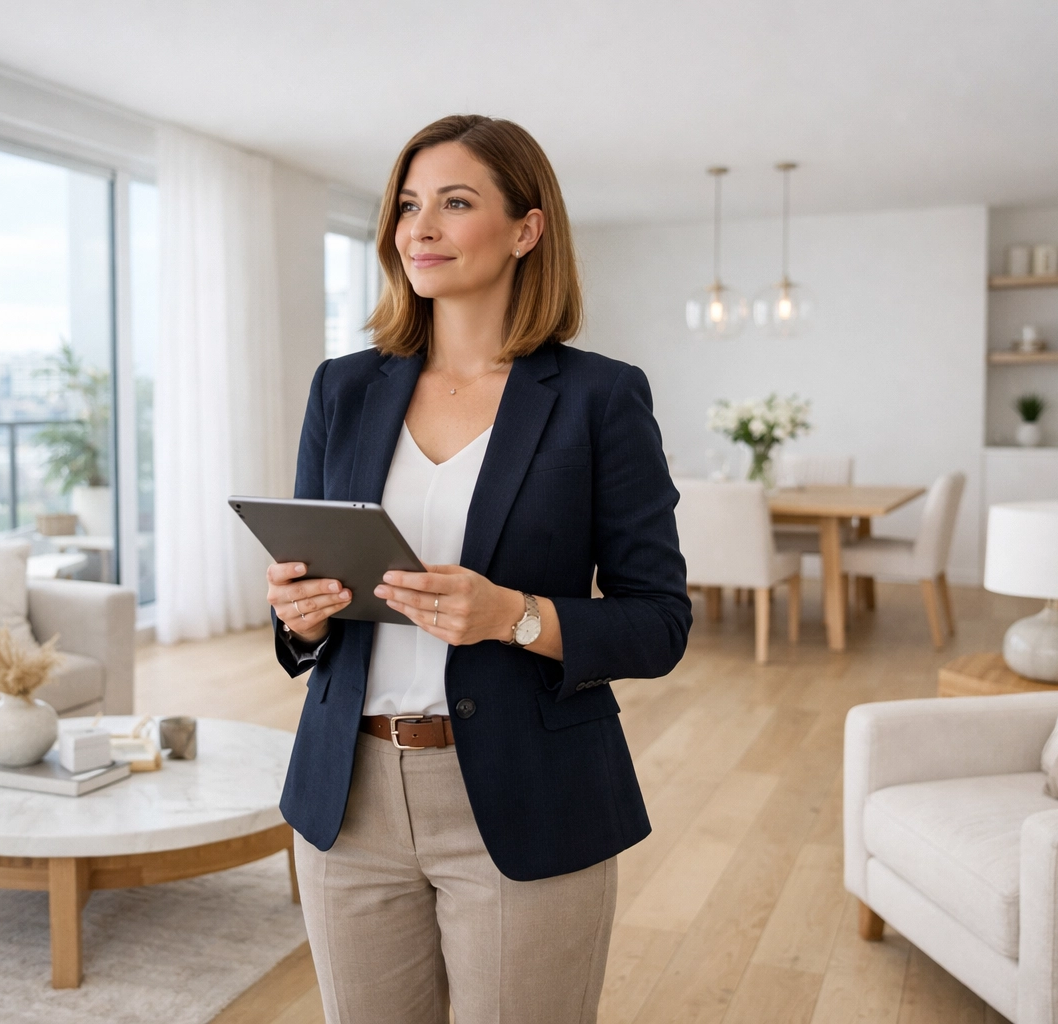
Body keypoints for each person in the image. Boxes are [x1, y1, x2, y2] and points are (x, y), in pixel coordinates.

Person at [265, 114, 690, 1024]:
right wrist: (299, 615)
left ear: (526, 229)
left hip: (529, 794)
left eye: (455, 204)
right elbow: (305, 595)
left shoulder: (601, 397)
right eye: (407, 205)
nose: (419, 228)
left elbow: (660, 622)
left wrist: (513, 616)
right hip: (349, 797)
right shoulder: (343, 388)